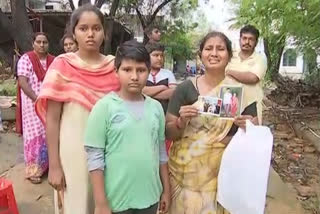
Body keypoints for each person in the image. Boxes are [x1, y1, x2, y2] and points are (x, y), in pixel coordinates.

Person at [35, 5, 120, 214]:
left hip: (110, 150)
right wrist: (54, 165)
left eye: (96, 28)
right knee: (77, 203)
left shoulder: (114, 67)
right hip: (73, 152)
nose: (90, 34)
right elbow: (52, 119)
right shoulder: (62, 66)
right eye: (83, 28)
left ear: (104, 32)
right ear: (73, 33)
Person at [165, 31, 259, 213]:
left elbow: (253, 137)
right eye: (208, 48)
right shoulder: (185, 89)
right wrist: (180, 122)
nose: (214, 53)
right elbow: (169, 133)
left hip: (221, 177)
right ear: (200, 55)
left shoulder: (239, 92)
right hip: (184, 176)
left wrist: (249, 127)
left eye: (220, 49)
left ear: (229, 56)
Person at [84, 40, 170, 214]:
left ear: (148, 71)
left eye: (141, 70)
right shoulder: (104, 107)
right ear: (116, 71)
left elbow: (161, 152)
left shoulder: (156, 108)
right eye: (127, 70)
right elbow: (95, 158)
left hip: (150, 197)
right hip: (116, 201)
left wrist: (166, 191)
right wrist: (101, 202)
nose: (134, 76)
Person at [17, 32, 55, 184]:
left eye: (44, 42)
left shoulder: (53, 60)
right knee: (35, 136)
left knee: (50, 134)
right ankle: (33, 171)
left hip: (50, 104)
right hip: (32, 105)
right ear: (33, 44)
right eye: (38, 42)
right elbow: (23, 82)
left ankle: (49, 167)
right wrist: (36, 99)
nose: (41, 45)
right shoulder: (26, 59)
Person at [225, 25, 267, 124]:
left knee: (250, 135)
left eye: (251, 39)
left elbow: (253, 78)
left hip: (251, 105)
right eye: (244, 38)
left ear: (256, 42)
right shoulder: (230, 56)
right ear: (240, 40)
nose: (247, 42)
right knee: (228, 135)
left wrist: (230, 72)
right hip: (229, 102)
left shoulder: (260, 59)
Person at [143, 42, 177, 113]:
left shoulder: (168, 73)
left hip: (164, 113)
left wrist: (147, 94)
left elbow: (173, 92)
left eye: (161, 56)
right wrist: (162, 87)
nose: (159, 58)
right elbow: (139, 91)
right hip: (143, 113)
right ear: (147, 56)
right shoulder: (141, 71)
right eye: (156, 55)